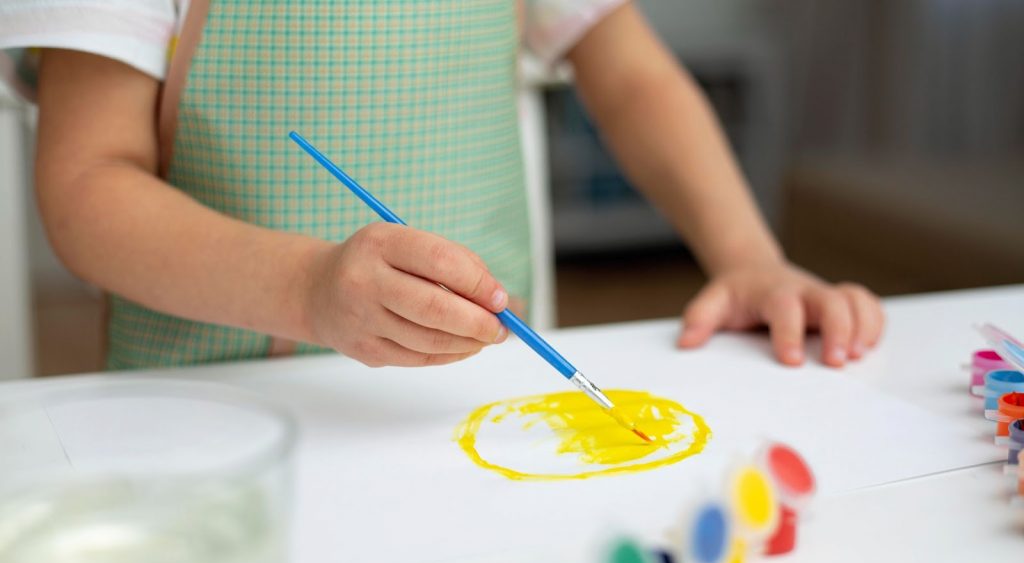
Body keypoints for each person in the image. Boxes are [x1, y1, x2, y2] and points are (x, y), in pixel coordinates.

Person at [0, 0, 884, 371]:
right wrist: (307, 292)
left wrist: (747, 256)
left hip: (478, 406)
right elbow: (85, 187)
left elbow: (633, 75)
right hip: (216, 420)